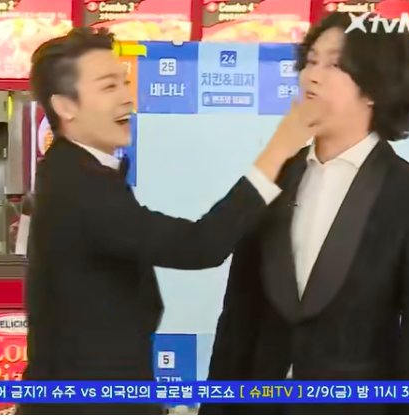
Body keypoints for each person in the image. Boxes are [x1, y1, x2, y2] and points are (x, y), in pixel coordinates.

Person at [20, 27, 321, 415]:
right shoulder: (77, 186)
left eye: (124, 82)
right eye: (108, 86)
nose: (127, 96)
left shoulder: (78, 172)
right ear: (65, 106)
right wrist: (279, 148)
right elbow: (200, 246)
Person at [201, 12, 409, 415]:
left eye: (334, 64)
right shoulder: (270, 181)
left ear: (375, 87)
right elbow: (238, 321)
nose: (311, 77)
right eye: (311, 61)